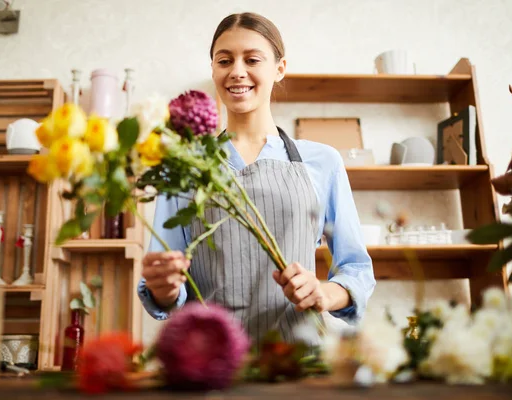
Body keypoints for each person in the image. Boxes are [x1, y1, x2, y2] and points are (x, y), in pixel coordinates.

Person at [137, 12, 375, 345]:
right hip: (207, 357)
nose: (236, 71)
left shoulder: (323, 162)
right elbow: (165, 288)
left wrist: (322, 292)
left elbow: (357, 270)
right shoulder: (182, 166)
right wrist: (163, 287)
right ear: (213, 70)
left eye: (252, 59)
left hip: (299, 357)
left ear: (279, 68)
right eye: (224, 61)